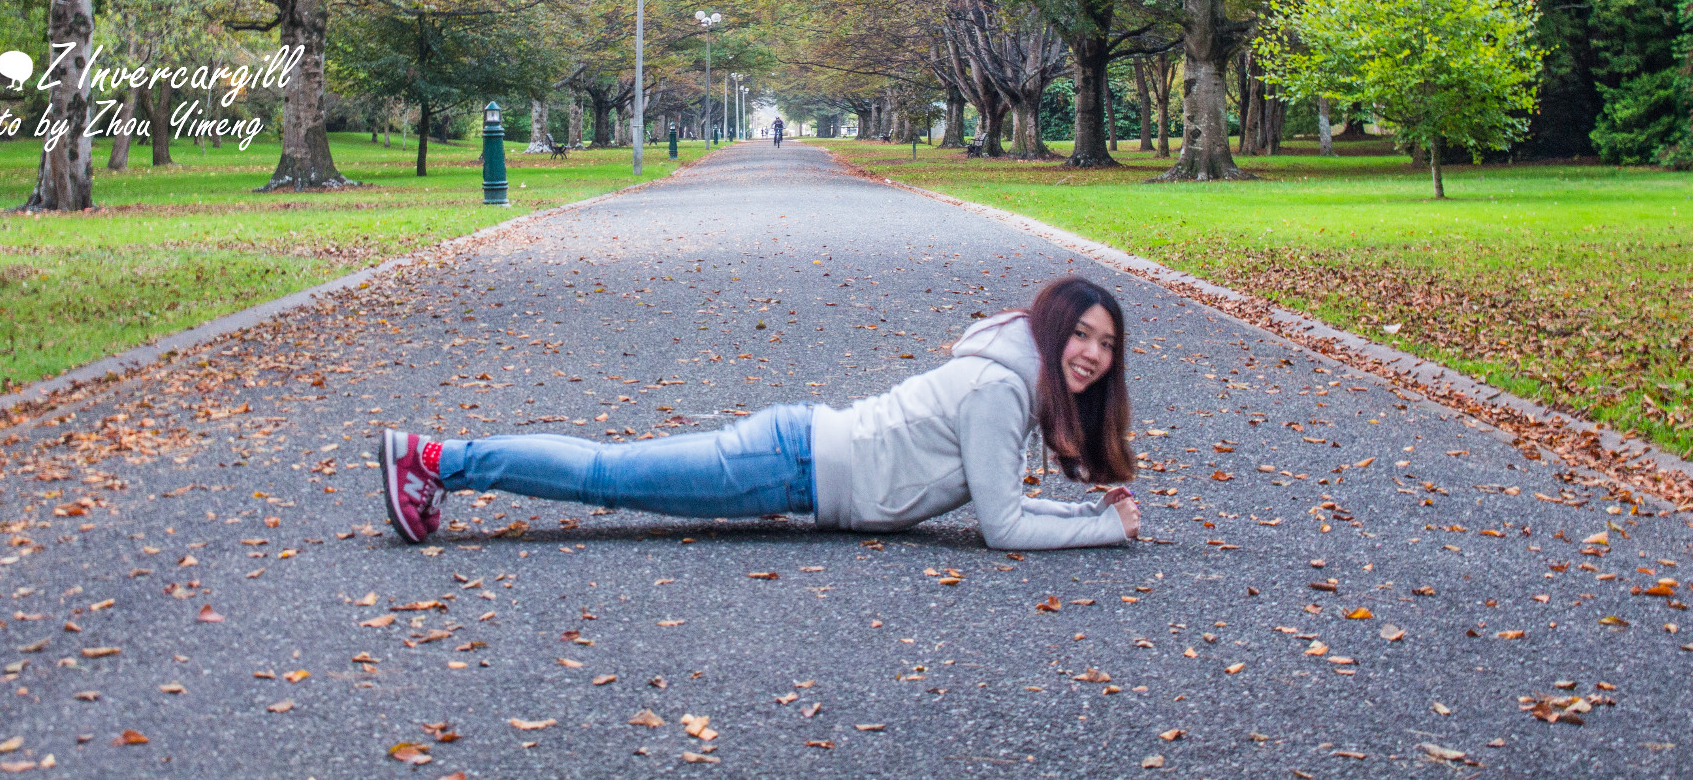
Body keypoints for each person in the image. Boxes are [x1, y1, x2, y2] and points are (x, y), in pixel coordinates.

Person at [379, 275, 1142, 551]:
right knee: (608, 474)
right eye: (1080, 333)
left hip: (798, 458)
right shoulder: (1001, 389)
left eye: (1105, 344)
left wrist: (1090, 514)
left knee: (612, 472)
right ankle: (437, 460)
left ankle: (440, 462)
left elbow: (1002, 500)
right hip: (790, 464)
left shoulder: (1012, 375)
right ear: (1051, 327)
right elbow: (1003, 526)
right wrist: (1103, 528)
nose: (1091, 353)